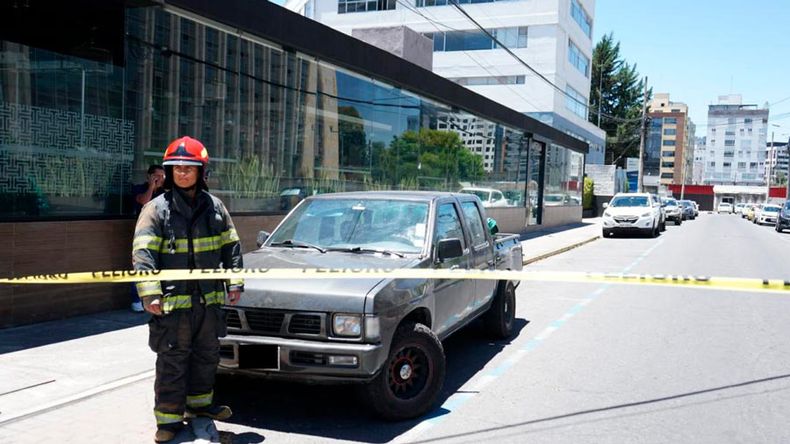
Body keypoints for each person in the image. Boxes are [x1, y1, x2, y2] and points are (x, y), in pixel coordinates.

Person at [132, 136, 244, 443]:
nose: (183, 173)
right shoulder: (156, 210)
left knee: (206, 357)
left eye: (189, 168)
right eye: (177, 168)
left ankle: (199, 409)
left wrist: (235, 283)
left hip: (208, 302)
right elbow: (143, 254)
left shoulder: (216, 208)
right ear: (169, 173)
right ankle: (167, 421)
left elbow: (231, 247)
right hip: (172, 304)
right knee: (172, 360)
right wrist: (149, 292)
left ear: (201, 172)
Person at [130, 165, 167, 312]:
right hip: (144, 234)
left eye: (163, 176)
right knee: (142, 264)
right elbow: (144, 201)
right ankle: (137, 299)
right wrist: (152, 186)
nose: (161, 179)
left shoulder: (166, 192)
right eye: (157, 176)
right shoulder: (140, 189)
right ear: (149, 176)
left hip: (162, 234)